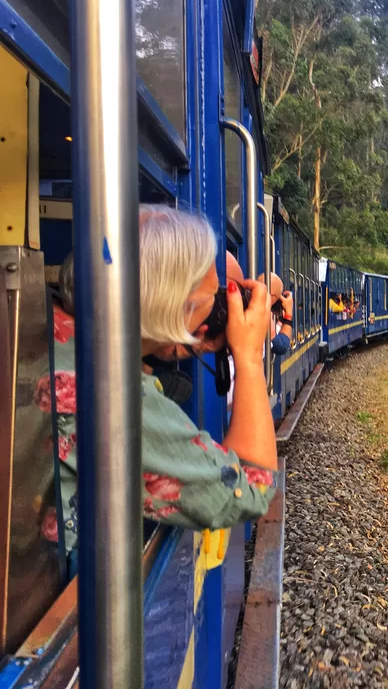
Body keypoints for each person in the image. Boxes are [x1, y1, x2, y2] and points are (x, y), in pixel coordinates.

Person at [38, 206, 277, 567]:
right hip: (74, 593)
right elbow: (251, 488)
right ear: (170, 304)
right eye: (210, 299)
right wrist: (248, 357)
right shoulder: (114, 395)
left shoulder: (51, 330)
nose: (216, 315)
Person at [257, 272, 294, 357]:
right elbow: (281, 346)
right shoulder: (263, 311)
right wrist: (288, 314)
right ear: (273, 296)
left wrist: (280, 321)